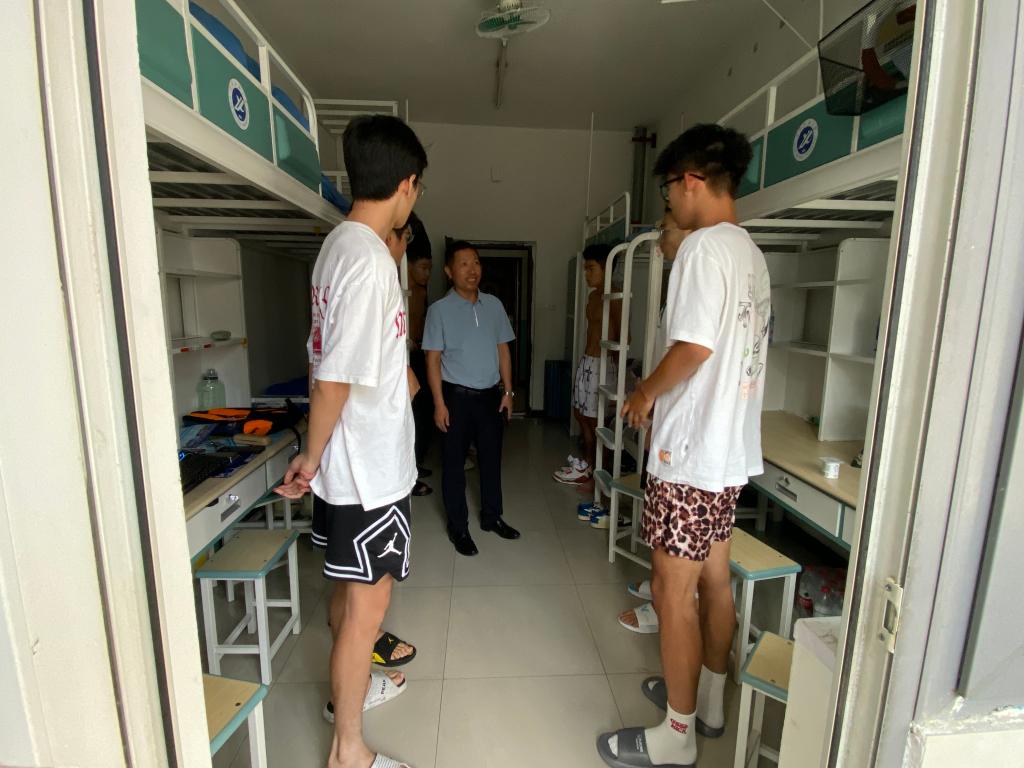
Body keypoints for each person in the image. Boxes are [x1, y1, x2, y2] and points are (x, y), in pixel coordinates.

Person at [597, 124, 769, 768]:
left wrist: (644, 393)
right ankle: (709, 701)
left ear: (691, 181)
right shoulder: (750, 253)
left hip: (690, 457)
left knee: (672, 593)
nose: (668, 202)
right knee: (715, 581)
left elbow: (694, 347)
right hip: (727, 454)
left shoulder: (701, 249)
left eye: (669, 190)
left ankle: (677, 733)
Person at [275, 113, 427, 768]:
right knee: (368, 608)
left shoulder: (339, 247)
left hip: (350, 464)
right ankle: (349, 751)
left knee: (345, 591)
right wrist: (310, 457)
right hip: (368, 470)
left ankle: (347, 701)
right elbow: (335, 377)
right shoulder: (368, 262)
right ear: (407, 183)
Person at [423, 241, 521, 557]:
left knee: (491, 460)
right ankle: (458, 527)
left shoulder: (494, 305)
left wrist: (508, 392)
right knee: (453, 464)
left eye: (476, 262)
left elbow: (503, 350)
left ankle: (492, 517)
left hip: (490, 397)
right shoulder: (439, 310)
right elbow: (432, 360)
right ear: (449, 271)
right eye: (463, 263)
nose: (472, 269)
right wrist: (439, 403)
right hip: (456, 398)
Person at [552, 243, 621, 489]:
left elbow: (625, 338)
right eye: (585, 269)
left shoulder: (616, 297)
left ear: (606, 268)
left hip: (603, 364)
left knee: (596, 421)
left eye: (591, 269)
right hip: (587, 362)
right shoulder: (593, 297)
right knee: (580, 414)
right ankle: (589, 466)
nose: (586, 274)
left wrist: (614, 370)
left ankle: (598, 473)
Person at [384, 212, 434, 497]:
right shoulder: (398, 286)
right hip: (403, 357)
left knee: (422, 414)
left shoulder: (423, 292)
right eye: (424, 268)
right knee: (409, 416)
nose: (427, 274)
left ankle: (414, 465)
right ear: (409, 264)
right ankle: (408, 475)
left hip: (419, 355)